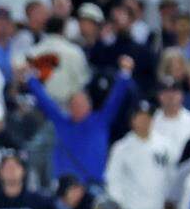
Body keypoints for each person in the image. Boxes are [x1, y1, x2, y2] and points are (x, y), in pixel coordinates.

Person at [25, 55, 134, 184]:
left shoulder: (100, 121)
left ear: (89, 105)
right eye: (74, 104)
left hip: (94, 186)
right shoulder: (62, 122)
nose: (78, 107)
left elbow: (116, 97)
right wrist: (30, 77)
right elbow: (44, 100)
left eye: (82, 103)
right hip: (64, 187)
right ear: (69, 108)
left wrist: (125, 72)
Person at [105, 101, 176, 209]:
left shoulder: (165, 145)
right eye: (140, 117)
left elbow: (171, 181)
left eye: (148, 117)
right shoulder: (121, 148)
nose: (145, 121)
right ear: (133, 120)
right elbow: (114, 185)